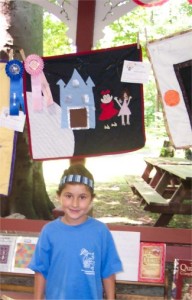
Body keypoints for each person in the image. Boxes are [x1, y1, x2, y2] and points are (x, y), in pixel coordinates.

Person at [29, 163, 123, 300]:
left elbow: (108, 271)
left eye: (82, 197)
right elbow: (41, 271)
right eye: (68, 196)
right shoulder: (49, 231)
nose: (75, 204)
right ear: (58, 196)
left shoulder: (101, 231)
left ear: (92, 199)